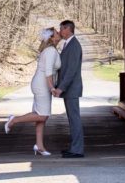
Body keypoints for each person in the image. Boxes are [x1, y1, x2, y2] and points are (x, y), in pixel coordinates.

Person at [4, 27, 62, 156]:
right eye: (57, 33)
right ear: (52, 38)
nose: (59, 33)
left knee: (40, 116)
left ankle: (39, 146)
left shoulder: (50, 50)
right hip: (43, 85)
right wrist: (52, 87)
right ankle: (14, 120)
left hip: (40, 83)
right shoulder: (51, 51)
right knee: (43, 115)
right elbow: (48, 72)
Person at [52, 19, 84, 158]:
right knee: (72, 119)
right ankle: (74, 147)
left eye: (61, 29)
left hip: (71, 89)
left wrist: (61, 88)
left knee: (74, 119)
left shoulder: (74, 45)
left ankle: (77, 150)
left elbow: (71, 70)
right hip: (69, 89)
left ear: (68, 29)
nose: (59, 32)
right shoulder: (68, 44)